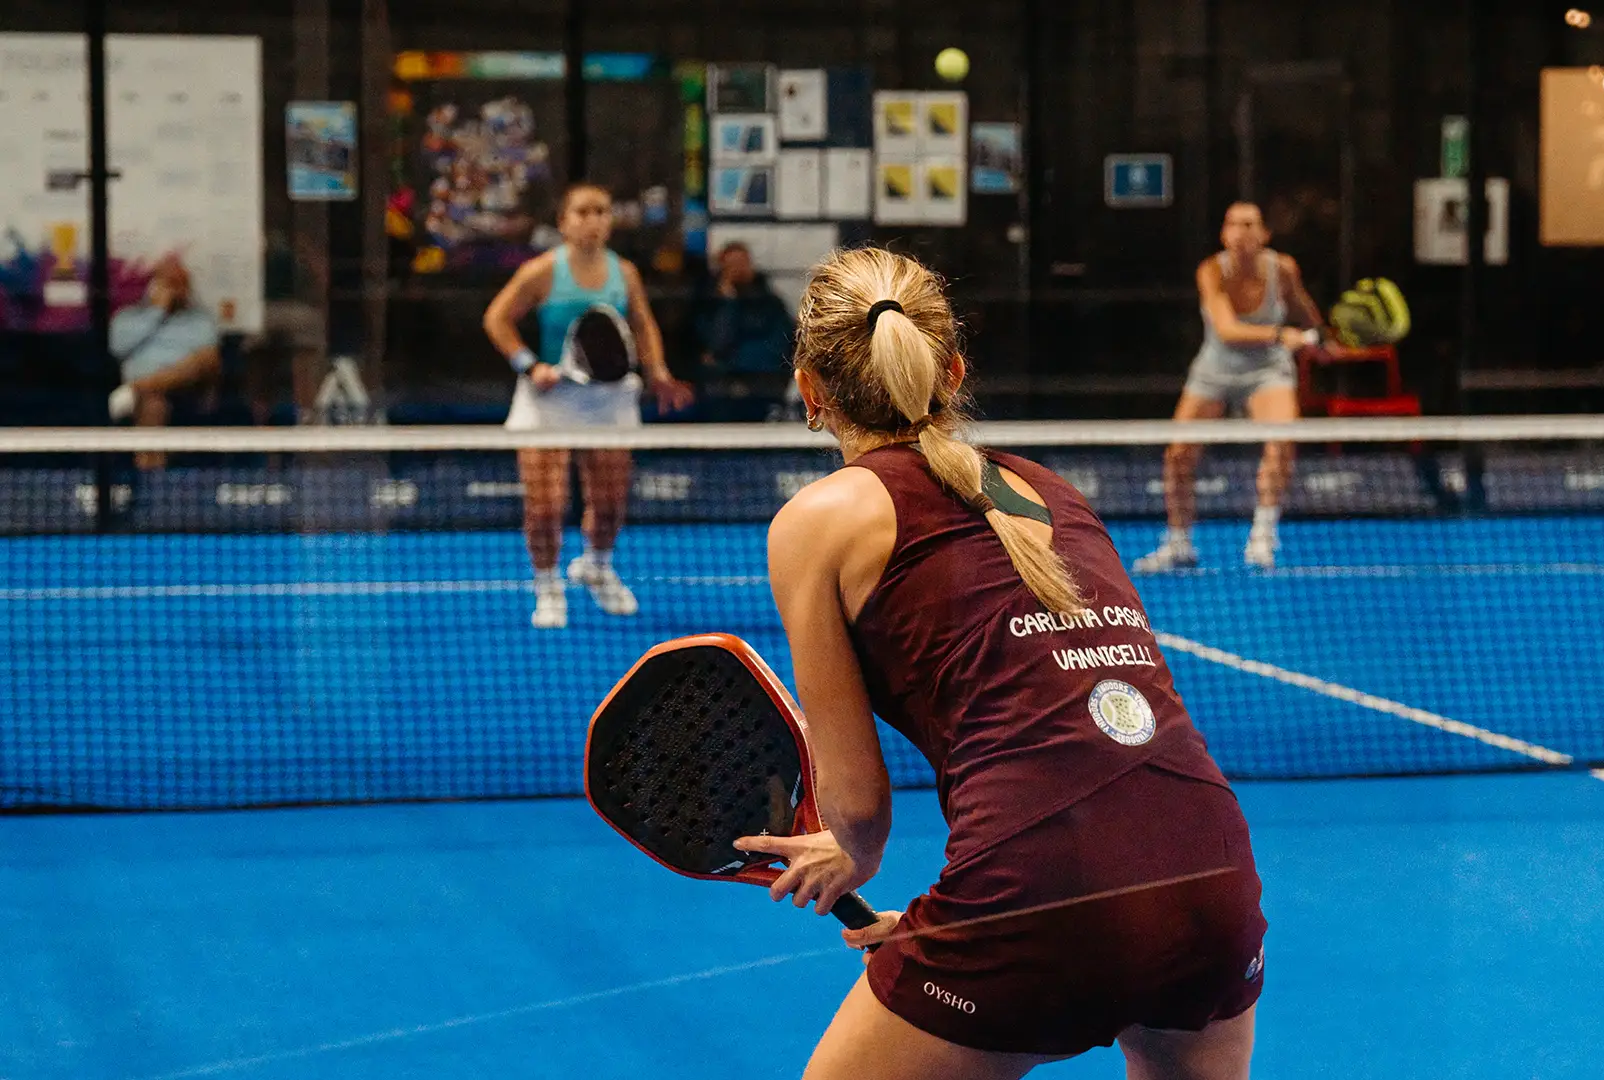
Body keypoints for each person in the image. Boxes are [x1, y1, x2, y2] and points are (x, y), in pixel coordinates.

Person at [731, 247, 1265, 1080]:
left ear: (810, 390)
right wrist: (970, 919)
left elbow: (860, 807)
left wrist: (861, 861)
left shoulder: (817, 521)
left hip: (1035, 889)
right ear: (953, 370)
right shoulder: (1054, 490)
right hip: (1211, 874)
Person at [482, 182, 693, 629]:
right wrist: (528, 365)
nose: (593, 220)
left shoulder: (625, 273)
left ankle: (596, 566)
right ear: (563, 222)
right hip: (549, 399)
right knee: (545, 507)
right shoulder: (541, 271)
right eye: (582, 212)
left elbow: (642, 324)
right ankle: (547, 585)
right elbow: (497, 319)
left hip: (608, 400)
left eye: (601, 211)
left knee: (611, 504)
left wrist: (658, 372)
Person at [1133, 202, 1326, 572]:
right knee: (1177, 455)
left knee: (1282, 441)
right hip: (1215, 370)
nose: (1241, 232)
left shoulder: (1283, 269)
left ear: (1264, 234)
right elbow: (1227, 330)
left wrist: (1322, 339)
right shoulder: (1211, 271)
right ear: (1224, 234)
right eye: (1233, 224)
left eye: (1250, 224)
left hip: (1268, 371)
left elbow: (1302, 307)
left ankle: (1262, 536)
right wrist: (1281, 335)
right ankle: (1178, 543)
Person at [106, 256, 224, 470]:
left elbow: (209, 360)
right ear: (152, 286)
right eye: (169, 283)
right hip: (145, 398)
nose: (175, 291)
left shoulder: (200, 320)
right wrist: (157, 310)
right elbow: (117, 347)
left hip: (188, 389)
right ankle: (151, 475)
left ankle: (137, 387)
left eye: (181, 284)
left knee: (204, 359)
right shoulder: (127, 318)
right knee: (154, 404)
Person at [692, 241, 797, 421]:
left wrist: (735, 360)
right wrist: (728, 302)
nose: (738, 270)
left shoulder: (770, 303)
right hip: (722, 389)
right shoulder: (708, 305)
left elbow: (780, 344)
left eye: (742, 263)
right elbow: (714, 344)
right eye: (732, 265)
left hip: (766, 384)